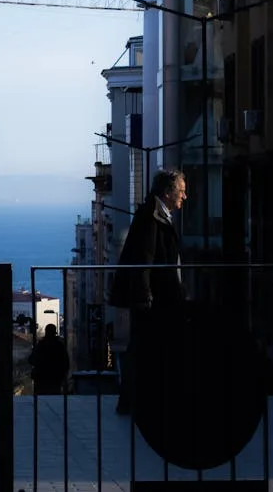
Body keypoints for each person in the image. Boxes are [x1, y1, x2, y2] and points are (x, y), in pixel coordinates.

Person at [108, 168, 187, 415]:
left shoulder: (156, 215)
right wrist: (145, 299)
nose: (185, 197)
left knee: (146, 348)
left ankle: (139, 399)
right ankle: (137, 400)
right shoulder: (151, 217)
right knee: (144, 348)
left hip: (157, 297)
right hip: (153, 300)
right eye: (181, 192)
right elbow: (145, 259)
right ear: (167, 193)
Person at [28, 324, 70, 395]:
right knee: (54, 400)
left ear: (46, 332)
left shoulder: (40, 345)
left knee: (40, 402)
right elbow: (66, 363)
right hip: (55, 379)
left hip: (41, 380)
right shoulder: (59, 345)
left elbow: (31, 360)